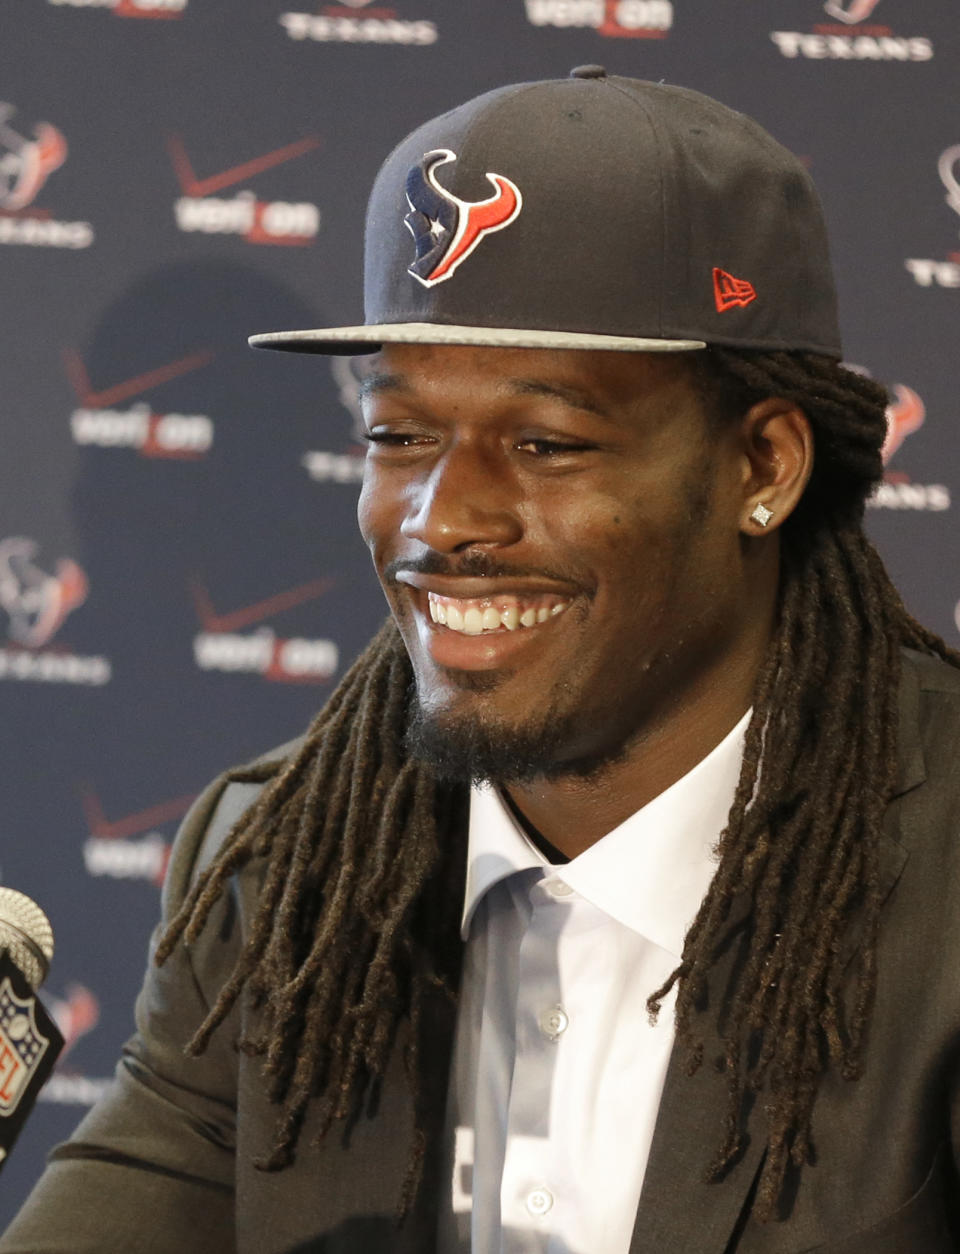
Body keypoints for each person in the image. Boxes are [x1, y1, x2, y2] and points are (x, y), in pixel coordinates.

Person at [3, 67, 960, 1254]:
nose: (442, 520)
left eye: (547, 441)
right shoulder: (280, 870)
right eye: (399, 436)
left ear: (761, 468)